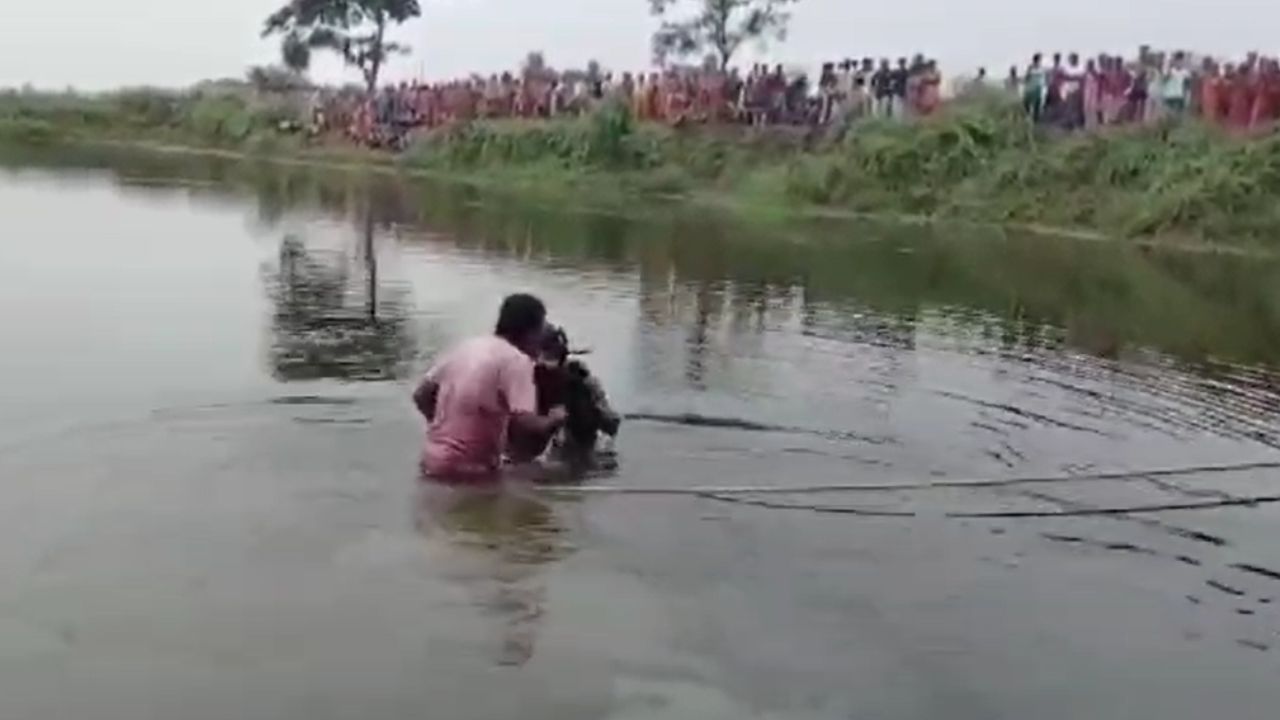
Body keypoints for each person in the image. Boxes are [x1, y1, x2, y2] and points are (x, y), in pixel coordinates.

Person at [414, 294, 566, 482]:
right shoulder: (517, 361)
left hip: (431, 460)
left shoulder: (466, 347)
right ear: (531, 331)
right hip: (471, 469)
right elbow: (525, 423)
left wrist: (443, 428)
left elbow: (421, 395)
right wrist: (554, 419)